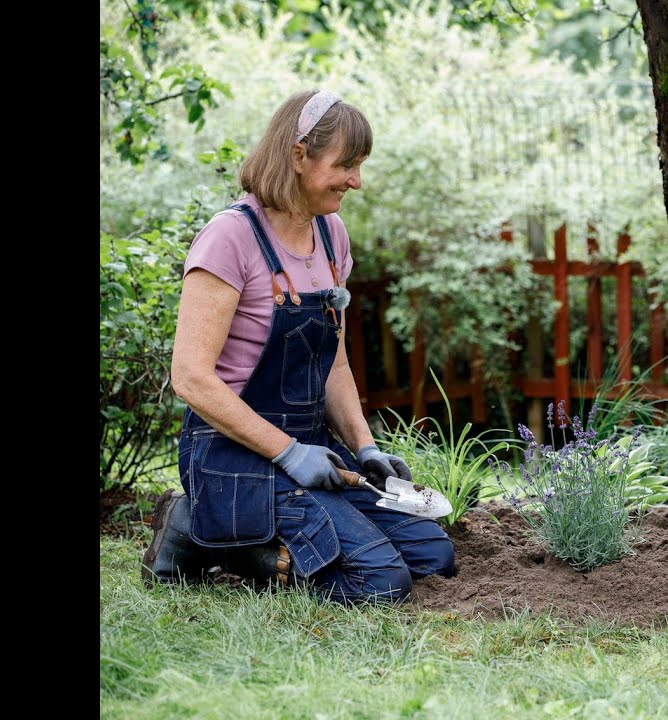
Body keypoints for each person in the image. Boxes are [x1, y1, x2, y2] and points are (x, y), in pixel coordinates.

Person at [141, 89, 456, 603]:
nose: (356, 180)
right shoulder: (230, 238)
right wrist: (286, 452)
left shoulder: (332, 236)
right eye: (347, 165)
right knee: (379, 583)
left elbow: (330, 358)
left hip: (310, 449)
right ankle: (198, 528)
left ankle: (238, 531)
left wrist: (364, 446)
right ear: (297, 155)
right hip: (232, 451)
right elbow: (190, 378)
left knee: (432, 557)